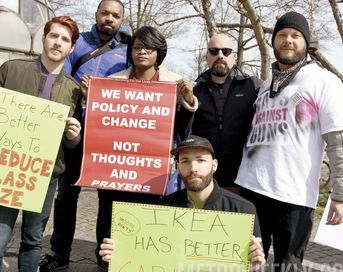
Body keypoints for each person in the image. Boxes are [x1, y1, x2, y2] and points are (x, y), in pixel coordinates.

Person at [0, 16, 81, 272]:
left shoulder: (74, 90)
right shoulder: (11, 69)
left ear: (71, 48)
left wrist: (73, 137)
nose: (58, 43)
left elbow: (70, 144)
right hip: (5, 169)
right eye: (54, 36)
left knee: (33, 243)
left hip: (45, 177)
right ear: (44, 38)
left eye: (65, 40)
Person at [81, 25, 198, 271]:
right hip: (114, 173)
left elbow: (181, 132)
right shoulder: (112, 82)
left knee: (147, 227)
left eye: (148, 47)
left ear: (159, 52)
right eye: (136, 47)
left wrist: (187, 101)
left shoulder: (174, 83)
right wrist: (90, 97)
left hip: (151, 175)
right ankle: (106, 264)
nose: (141, 52)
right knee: (109, 222)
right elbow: (102, 126)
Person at [235, 11, 343, 272]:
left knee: (288, 266)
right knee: (243, 261)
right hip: (251, 188)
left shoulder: (324, 81)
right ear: (273, 42)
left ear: (306, 43)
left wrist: (340, 195)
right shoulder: (265, 84)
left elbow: (338, 142)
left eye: (296, 36)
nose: (288, 40)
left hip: (293, 195)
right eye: (282, 35)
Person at [39, 1, 131, 271]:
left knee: (108, 199)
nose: (109, 19)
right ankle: (59, 253)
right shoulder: (77, 44)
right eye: (105, 13)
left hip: (109, 137)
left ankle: (105, 256)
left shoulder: (129, 49)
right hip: (75, 132)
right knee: (67, 195)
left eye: (115, 16)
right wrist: (79, 92)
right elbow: (60, 79)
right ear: (97, 15)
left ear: (121, 19)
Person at [98, 135, 266, 271]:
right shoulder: (161, 209)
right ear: (178, 167)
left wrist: (255, 266)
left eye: (201, 160)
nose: (193, 168)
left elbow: (252, 263)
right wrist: (113, 256)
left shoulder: (243, 210)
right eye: (185, 161)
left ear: (214, 165)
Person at [176, 33, 261, 193]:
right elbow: (182, 132)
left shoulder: (254, 86)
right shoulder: (194, 91)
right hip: (205, 182)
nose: (220, 56)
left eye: (226, 51)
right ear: (207, 57)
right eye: (214, 51)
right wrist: (187, 102)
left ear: (234, 57)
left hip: (244, 181)